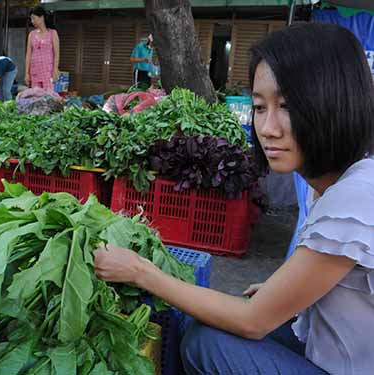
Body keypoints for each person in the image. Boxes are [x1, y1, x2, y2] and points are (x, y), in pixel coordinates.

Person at [94, 22, 374, 375]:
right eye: (259, 107)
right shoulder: (343, 182)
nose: (268, 128)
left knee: (206, 344)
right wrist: (280, 289)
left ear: (335, 103)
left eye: (287, 106)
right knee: (207, 325)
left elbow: (252, 321)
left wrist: (140, 272)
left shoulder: (354, 200)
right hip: (329, 348)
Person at [25, 5, 60, 91]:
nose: (32, 21)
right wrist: (26, 73)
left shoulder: (53, 33)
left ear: (41, 17)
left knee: (47, 97)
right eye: (31, 19)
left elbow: (56, 53)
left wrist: (55, 70)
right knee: (36, 97)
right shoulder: (31, 34)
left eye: (34, 18)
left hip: (48, 71)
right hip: (35, 71)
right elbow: (28, 55)